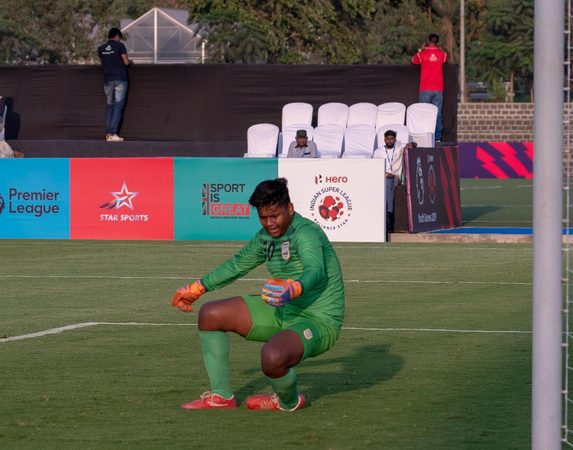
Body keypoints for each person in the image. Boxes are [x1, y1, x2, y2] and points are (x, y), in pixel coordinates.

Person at [171, 178, 345, 411]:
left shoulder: (305, 233)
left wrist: (294, 288)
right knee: (210, 314)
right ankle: (221, 397)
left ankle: (288, 402)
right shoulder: (265, 237)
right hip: (282, 310)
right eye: (263, 217)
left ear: (290, 208)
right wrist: (197, 288)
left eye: (275, 216)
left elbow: (315, 270)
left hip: (318, 320)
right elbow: (236, 265)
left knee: (272, 357)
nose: (270, 223)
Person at [411, 33, 448, 143]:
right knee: (438, 113)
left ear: (428, 41)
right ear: (437, 42)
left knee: (424, 113)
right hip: (438, 88)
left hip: (425, 88)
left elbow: (413, 61)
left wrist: (421, 49)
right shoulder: (442, 54)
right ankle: (437, 138)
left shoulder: (421, 54)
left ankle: (424, 137)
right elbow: (446, 60)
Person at [98, 27, 132, 142]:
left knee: (110, 106)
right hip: (120, 79)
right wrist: (131, 62)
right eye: (119, 37)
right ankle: (113, 133)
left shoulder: (101, 49)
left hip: (108, 80)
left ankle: (108, 134)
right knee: (118, 106)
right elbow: (126, 62)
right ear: (117, 36)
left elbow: (105, 62)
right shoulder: (120, 46)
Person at [373, 130, 405, 233]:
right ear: (384, 139)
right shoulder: (378, 151)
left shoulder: (399, 149)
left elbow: (413, 145)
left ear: (395, 139)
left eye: (391, 139)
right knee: (388, 182)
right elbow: (375, 167)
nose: (389, 141)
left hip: (396, 177)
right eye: (387, 139)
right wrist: (386, 174)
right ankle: (389, 215)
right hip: (384, 177)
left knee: (391, 183)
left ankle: (390, 215)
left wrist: (411, 144)